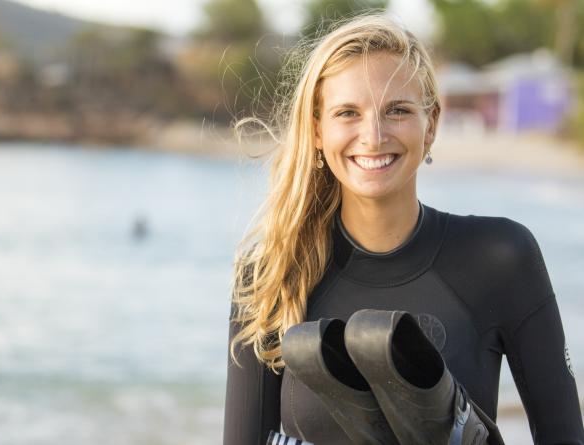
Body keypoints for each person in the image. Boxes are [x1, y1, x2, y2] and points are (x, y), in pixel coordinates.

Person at [223, 13, 584, 445]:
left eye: (396, 110)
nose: (373, 137)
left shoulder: (500, 257)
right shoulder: (272, 274)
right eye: (347, 113)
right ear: (317, 130)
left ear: (430, 124)